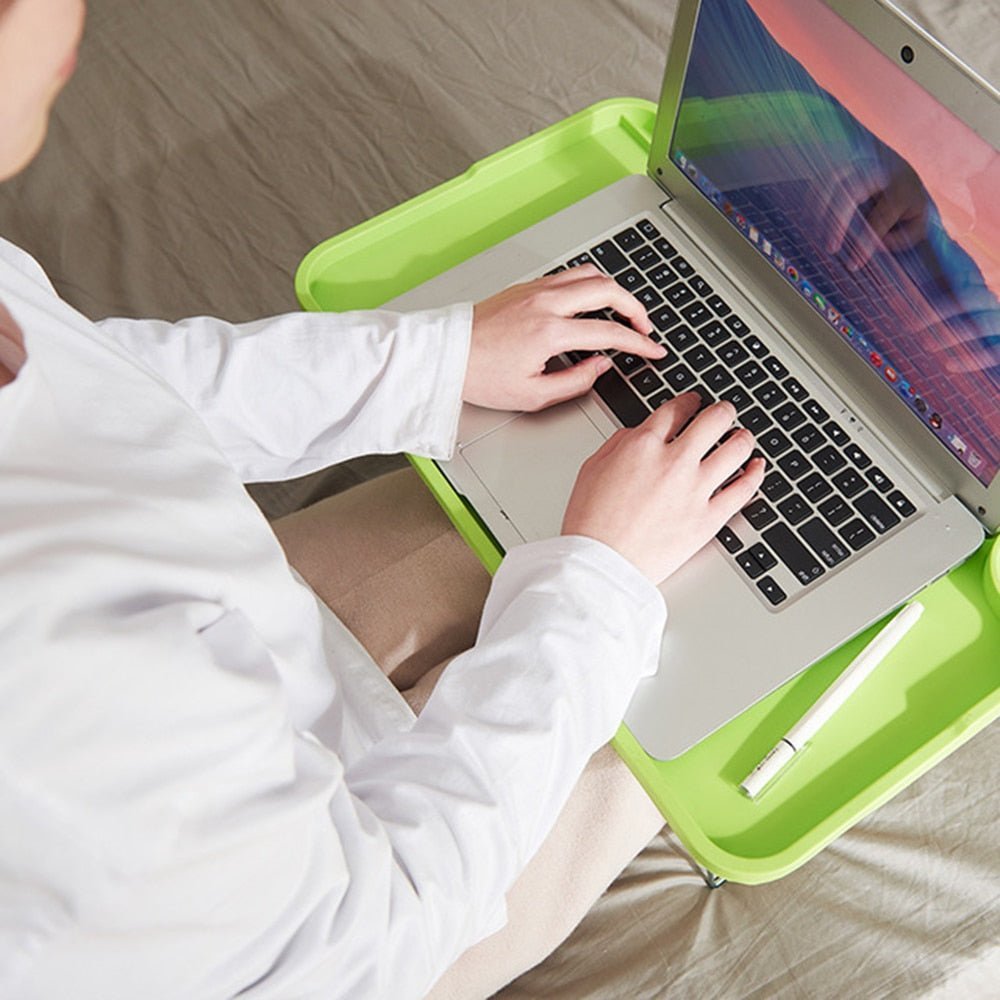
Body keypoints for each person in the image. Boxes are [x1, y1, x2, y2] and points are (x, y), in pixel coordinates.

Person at [0, 1, 765, 998]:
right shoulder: (51, 724)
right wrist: (603, 581)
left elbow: (94, 386)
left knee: (544, 500)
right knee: (725, 667)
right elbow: (378, 929)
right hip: (371, 914)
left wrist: (436, 362)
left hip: (245, 674)